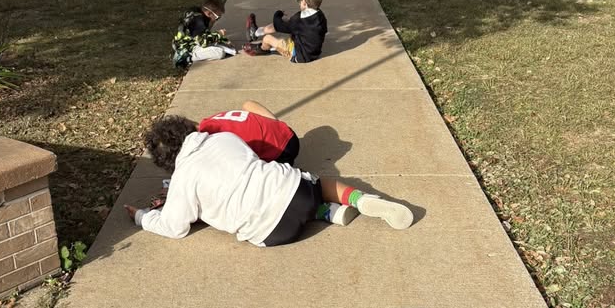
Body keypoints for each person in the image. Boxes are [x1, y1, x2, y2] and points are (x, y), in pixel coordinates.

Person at [126, 115, 413, 246]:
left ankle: (329, 214)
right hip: (296, 192)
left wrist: (141, 217)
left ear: (165, 162)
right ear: (189, 129)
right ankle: (360, 199)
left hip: (273, 234)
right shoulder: (224, 138)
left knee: (212, 208)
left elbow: (175, 227)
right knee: (317, 184)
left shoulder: (183, 178)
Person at [243, 0, 327, 63]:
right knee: (288, 22)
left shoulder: (299, 20)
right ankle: (256, 32)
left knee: (267, 38)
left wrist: (278, 14)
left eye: (300, 1)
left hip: (298, 55)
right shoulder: (321, 16)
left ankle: (262, 49)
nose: (299, 3)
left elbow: (279, 26)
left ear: (304, 3)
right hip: (314, 52)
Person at [198, 101, 300, 165]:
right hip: (285, 131)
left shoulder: (216, 141)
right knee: (247, 105)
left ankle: (286, 171)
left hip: (282, 151)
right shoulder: (207, 121)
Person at [171, 0, 234, 68]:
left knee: (217, 45)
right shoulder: (198, 21)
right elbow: (203, 42)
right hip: (188, 48)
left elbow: (204, 34)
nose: (217, 20)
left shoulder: (197, 14)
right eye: (217, 17)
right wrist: (219, 34)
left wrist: (223, 40)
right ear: (209, 13)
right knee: (219, 53)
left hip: (191, 42)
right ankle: (186, 58)